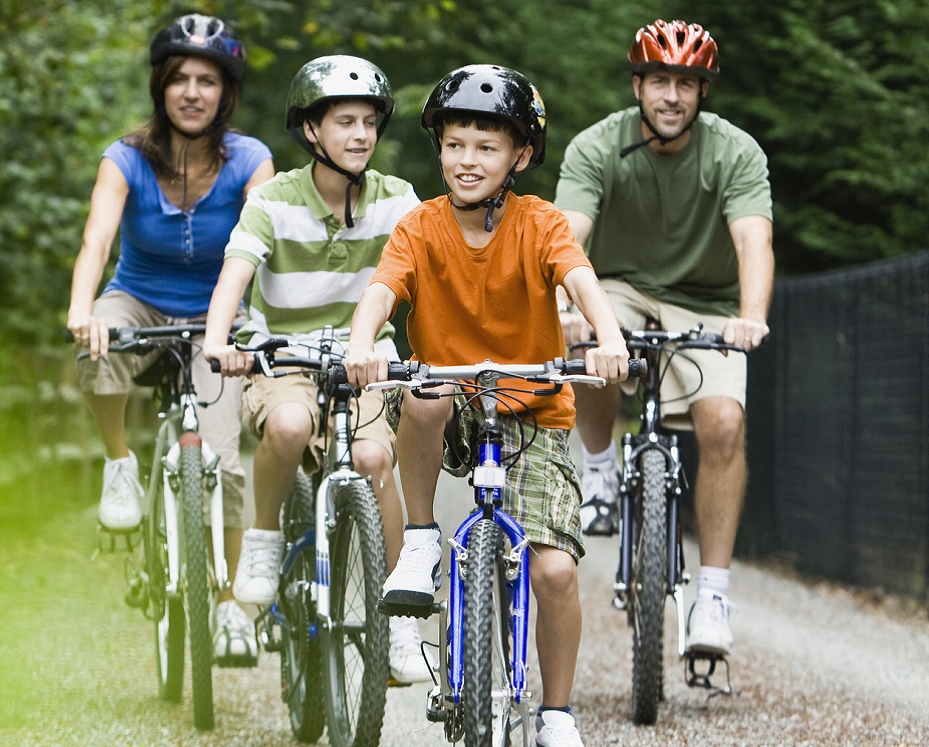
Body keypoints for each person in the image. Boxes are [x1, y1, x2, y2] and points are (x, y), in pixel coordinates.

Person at [345, 64, 630, 747]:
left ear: (521, 155)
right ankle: (419, 540)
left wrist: (609, 333)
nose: (467, 160)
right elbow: (382, 291)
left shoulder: (541, 222)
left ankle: (556, 709)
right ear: (438, 148)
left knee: (555, 567)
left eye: (486, 146)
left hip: (531, 409)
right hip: (454, 403)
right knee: (425, 389)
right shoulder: (421, 226)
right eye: (455, 143)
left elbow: (580, 278)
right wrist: (362, 342)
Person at [553, 19, 774, 658]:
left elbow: (753, 239)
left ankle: (712, 594)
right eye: (659, 81)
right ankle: (597, 471)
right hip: (615, 285)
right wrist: (570, 307)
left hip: (705, 301)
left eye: (687, 82)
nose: (672, 96)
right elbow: (569, 236)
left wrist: (751, 315)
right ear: (637, 85)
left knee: (723, 425)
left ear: (703, 92)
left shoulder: (736, 152)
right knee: (594, 350)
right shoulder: (597, 145)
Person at [204, 55, 428, 681]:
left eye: (369, 123)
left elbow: (436, 273)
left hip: (366, 361)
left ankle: (401, 622)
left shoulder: (397, 199)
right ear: (310, 131)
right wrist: (221, 341)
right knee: (290, 427)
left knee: (375, 458)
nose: (360, 135)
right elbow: (235, 277)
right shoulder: (273, 202)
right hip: (283, 358)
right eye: (344, 122)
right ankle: (264, 540)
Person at [65, 13, 274, 665]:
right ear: (160, 87)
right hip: (142, 302)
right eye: (179, 78)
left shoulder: (250, 159)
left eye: (206, 80)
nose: (191, 91)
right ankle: (120, 462)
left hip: (218, 318)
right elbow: (97, 238)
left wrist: (255, 327)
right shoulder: (125, 155)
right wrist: (83, 309)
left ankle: (228, 605)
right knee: (101, 344)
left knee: (224, 460)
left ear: (225, 91)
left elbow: (266, 246)